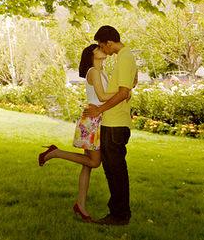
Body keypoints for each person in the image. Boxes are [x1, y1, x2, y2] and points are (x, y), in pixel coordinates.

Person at [38, 43, 117, 222]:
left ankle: (80, 206)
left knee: (87, 165)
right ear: (92, 54)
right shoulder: (94, 72)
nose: (103, 49)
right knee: (94, 162)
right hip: (92, 120)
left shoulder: (101, 72)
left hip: (95, 118)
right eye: (99, 48)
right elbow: (103, 96)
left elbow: (104, 95)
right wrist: (124, 92)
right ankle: (55, 153)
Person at [83, 25, 137, 226]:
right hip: (116, 122)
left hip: (114, 124)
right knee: (115, 171)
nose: (101, 49)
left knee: (115, 172)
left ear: (109, 43)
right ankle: (120, 213)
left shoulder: (124, 57)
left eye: (100, 45)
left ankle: (119, 215)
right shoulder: (127, 56)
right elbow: (132, 82)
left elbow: (123, 92)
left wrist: (99, 109)